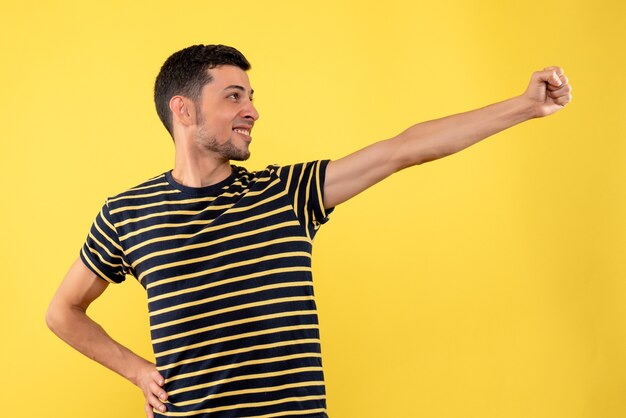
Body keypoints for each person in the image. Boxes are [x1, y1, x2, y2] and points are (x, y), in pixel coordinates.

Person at [46, 44, 572, 418]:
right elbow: (63, 312)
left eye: (251, 96)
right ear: (183, 109)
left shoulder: (287, 193)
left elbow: (404, 148)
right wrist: (139, 371)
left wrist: (525, 106)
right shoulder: (128, 213)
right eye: (233, 96)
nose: (252, 109)